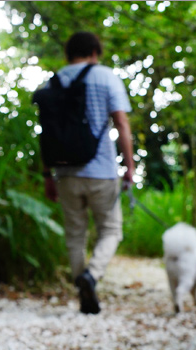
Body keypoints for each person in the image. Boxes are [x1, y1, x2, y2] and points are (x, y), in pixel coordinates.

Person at [42, 31, 135, 315]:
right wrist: (129, 166)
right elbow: (121, 122)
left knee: (75, 235)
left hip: (65, 172)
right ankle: (91, 275)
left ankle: (83, 292)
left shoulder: (53, 81)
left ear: (68, 53)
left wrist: (47, 174)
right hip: (102, 170)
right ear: (94, 52)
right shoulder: (106, 77)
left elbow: (46, 133)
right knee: (110, 230)